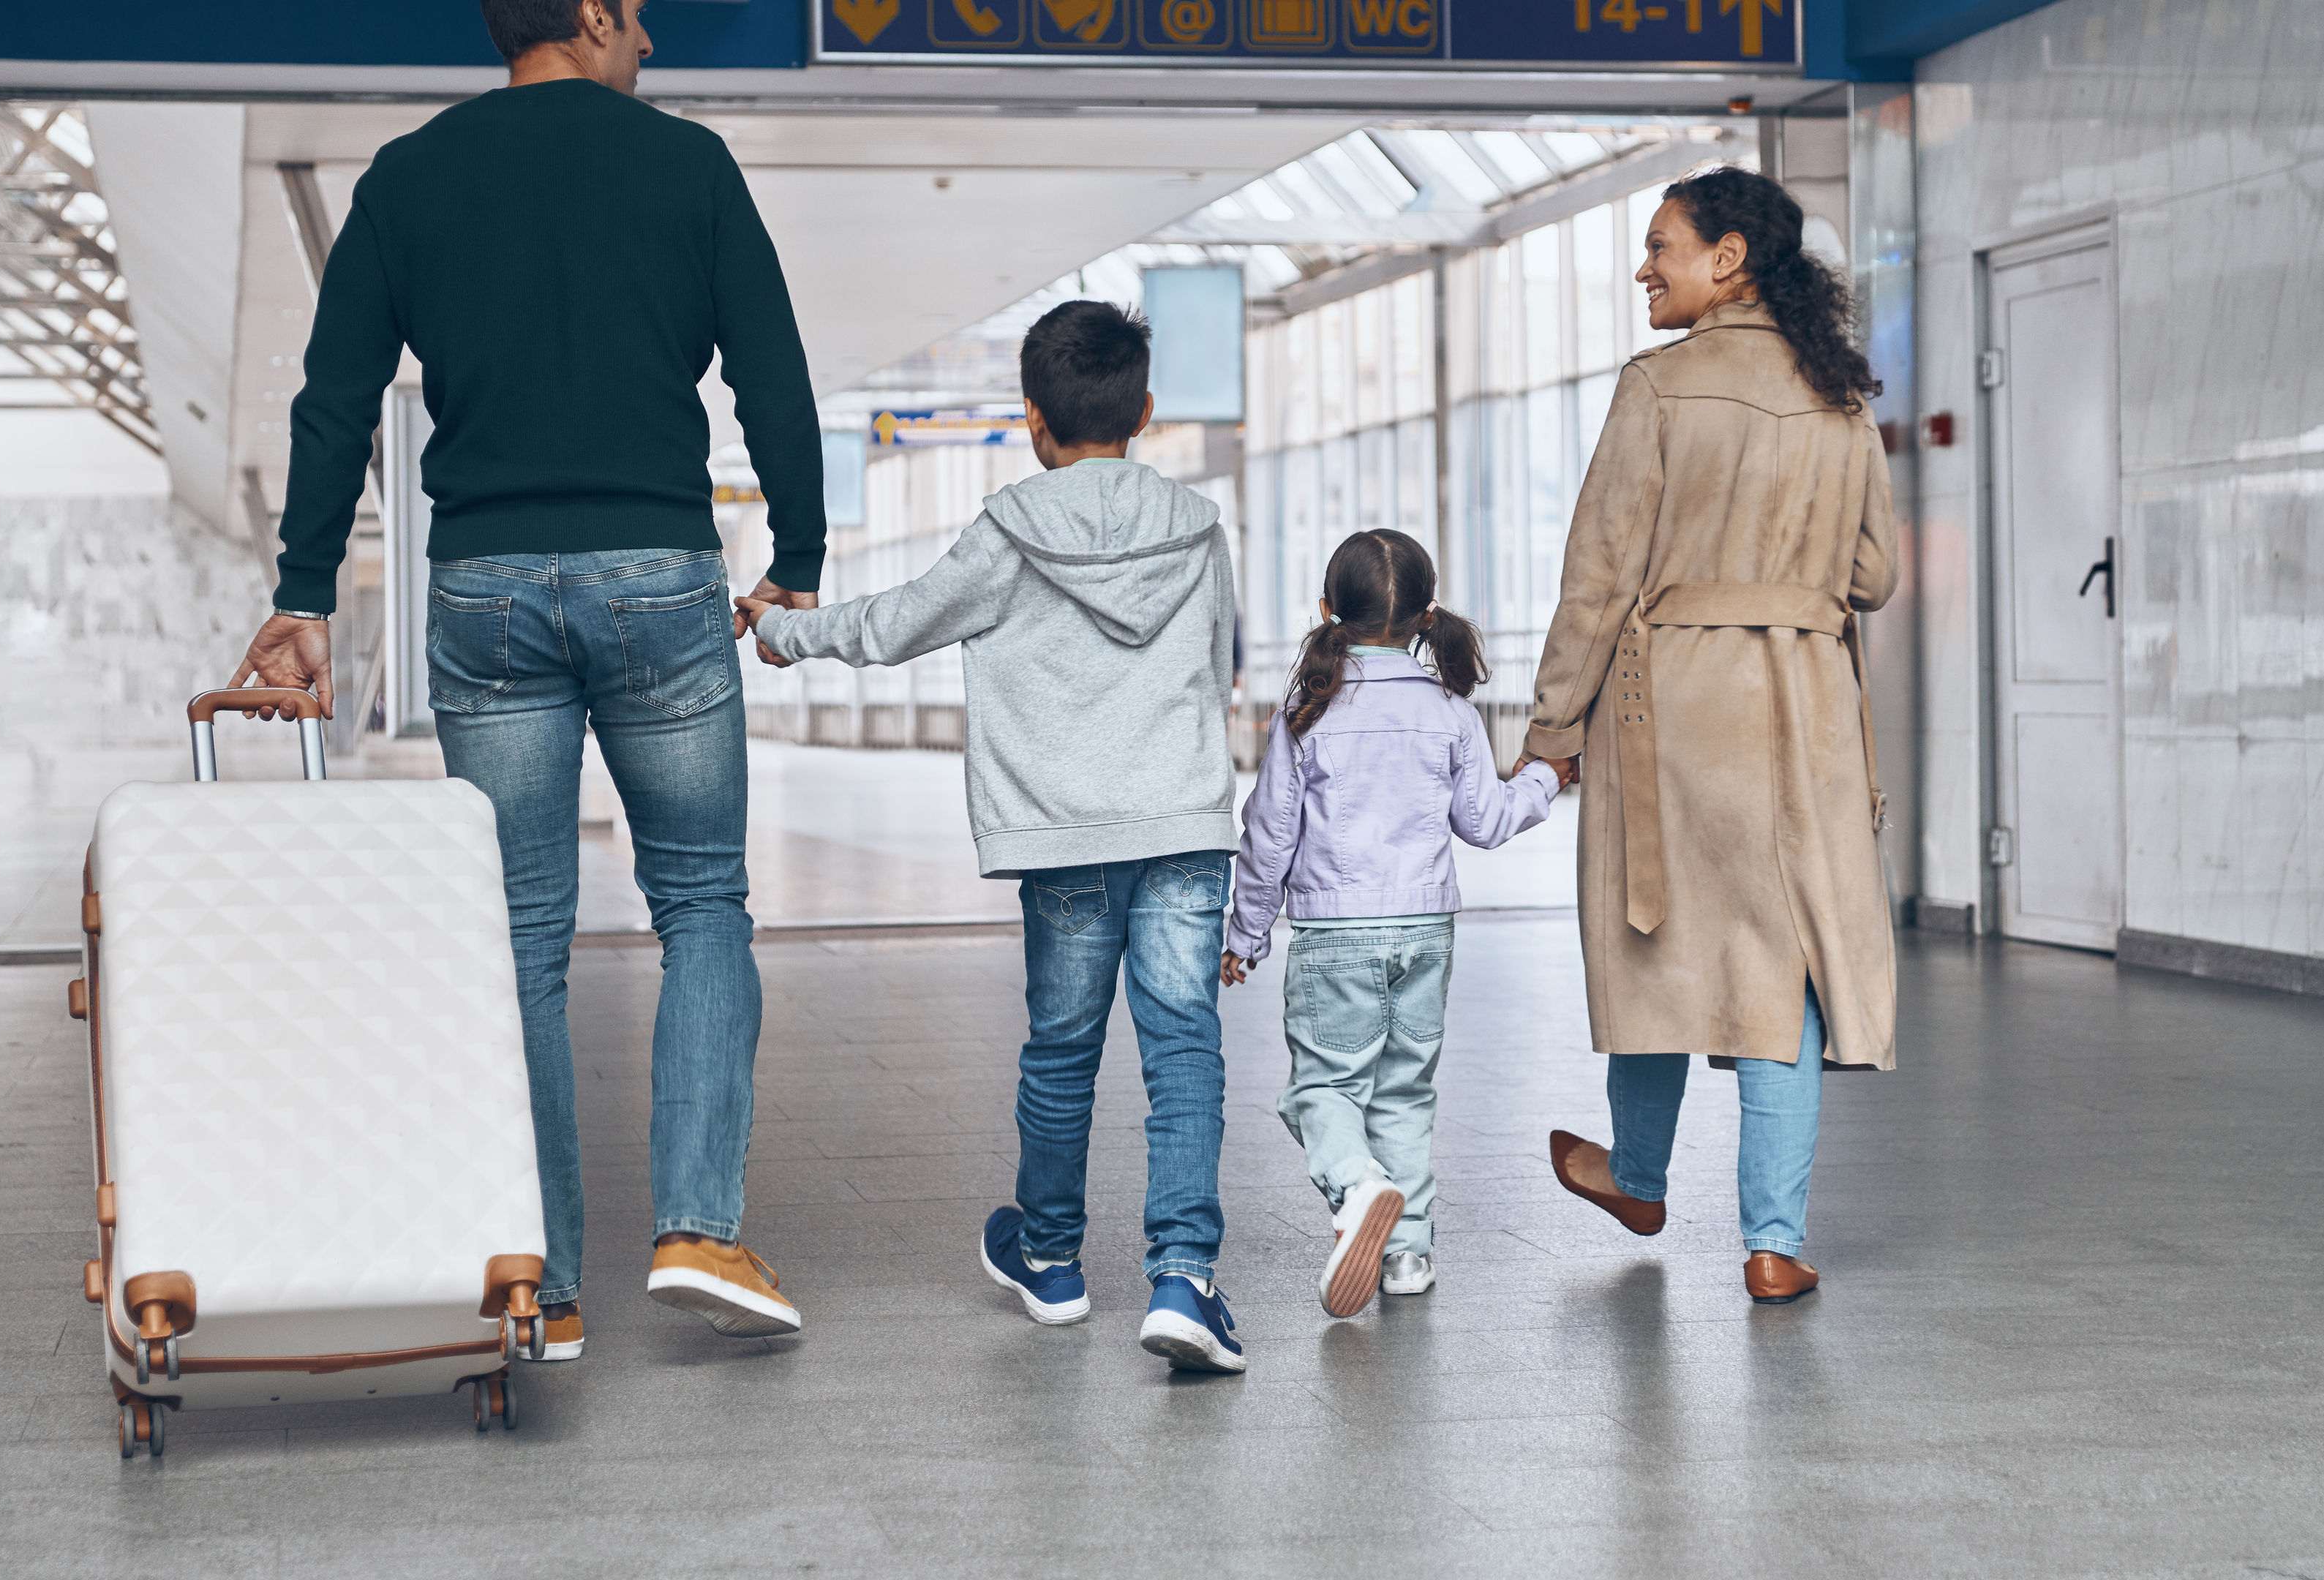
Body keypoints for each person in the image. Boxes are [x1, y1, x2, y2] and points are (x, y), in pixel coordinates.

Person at [228, 0, 828, 1356]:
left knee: (518, 942)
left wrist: (304, 591)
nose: (654, 48)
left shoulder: (411, 176)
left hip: (486, 584)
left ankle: (543, 1286)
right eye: (642, 20)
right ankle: (697, 1226)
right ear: (596, 15)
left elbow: (336, 395)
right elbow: (769, 367)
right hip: (658, 574)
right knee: (702, 902)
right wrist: (798, 546)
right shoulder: (688, 167)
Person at [740, 302, 1248, 1374]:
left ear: (1032, 420)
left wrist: (782, 631)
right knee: (1184, 1050)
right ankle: (1184, 1280)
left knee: (1063, 1050)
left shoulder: (1010, 530)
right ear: (1145, 411)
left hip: (1062, 835)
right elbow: (1221, 661)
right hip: (1183, 824)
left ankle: (1054, 1261)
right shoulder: (1200, 529)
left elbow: (899, 622)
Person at [1517, 165, 1900, 1306]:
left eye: (1662, 247)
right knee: (1781, 972)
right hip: (1810, 707)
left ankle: (1639, 1175)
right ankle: (1773, 1243)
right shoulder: (1842, 398)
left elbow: (1598, 578)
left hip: (1678, 704)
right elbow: (1873, 576)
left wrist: (1552, 730)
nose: (1647, 268)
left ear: (1729, 257)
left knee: (1659, 933)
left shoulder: (1659, 389)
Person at [1221, 530, 1568, 1319]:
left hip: (1336, 934)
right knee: (1405, 1093)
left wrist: (1246, 934)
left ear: (1326, 611)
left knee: (1321, 1089)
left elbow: (1270, 829)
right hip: (1427, 933)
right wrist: (1545, 777)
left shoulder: (1309, 708)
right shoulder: (1449, 710)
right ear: (1426, 615)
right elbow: (1485, 820)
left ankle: (1357, 1183)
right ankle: (1408, 1250)